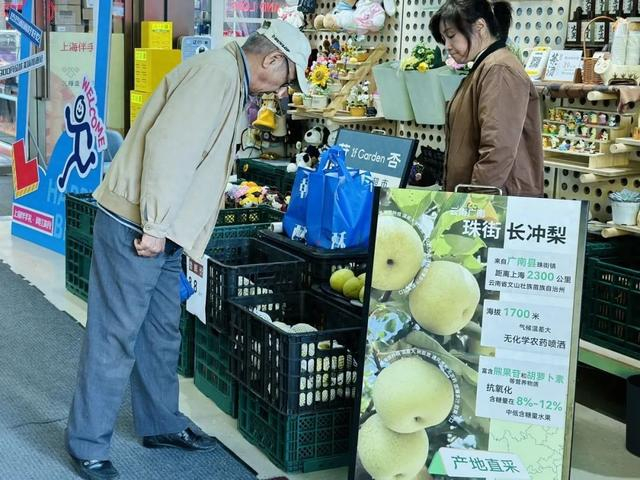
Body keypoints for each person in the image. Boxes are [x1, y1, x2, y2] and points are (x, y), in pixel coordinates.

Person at [65, 20, 311, 480]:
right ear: (273, 59)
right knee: (115, 335)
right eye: (289, 77)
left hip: (164, 229)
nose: (284, 89)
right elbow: (169, 149)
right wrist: (156, 225)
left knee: (161, 333)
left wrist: (174, 231)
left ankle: (160, 423)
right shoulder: (217, 75)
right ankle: (87, 444)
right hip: (139, 224)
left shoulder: (231, 79)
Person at [429, 0, 544, 196]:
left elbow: (497, 149)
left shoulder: (499, 69)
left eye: (451, 35)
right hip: (481, 200)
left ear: (480, 27)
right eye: (443, 38)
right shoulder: (486, 67)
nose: (447, 46)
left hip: (494, 205)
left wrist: (475, 200)